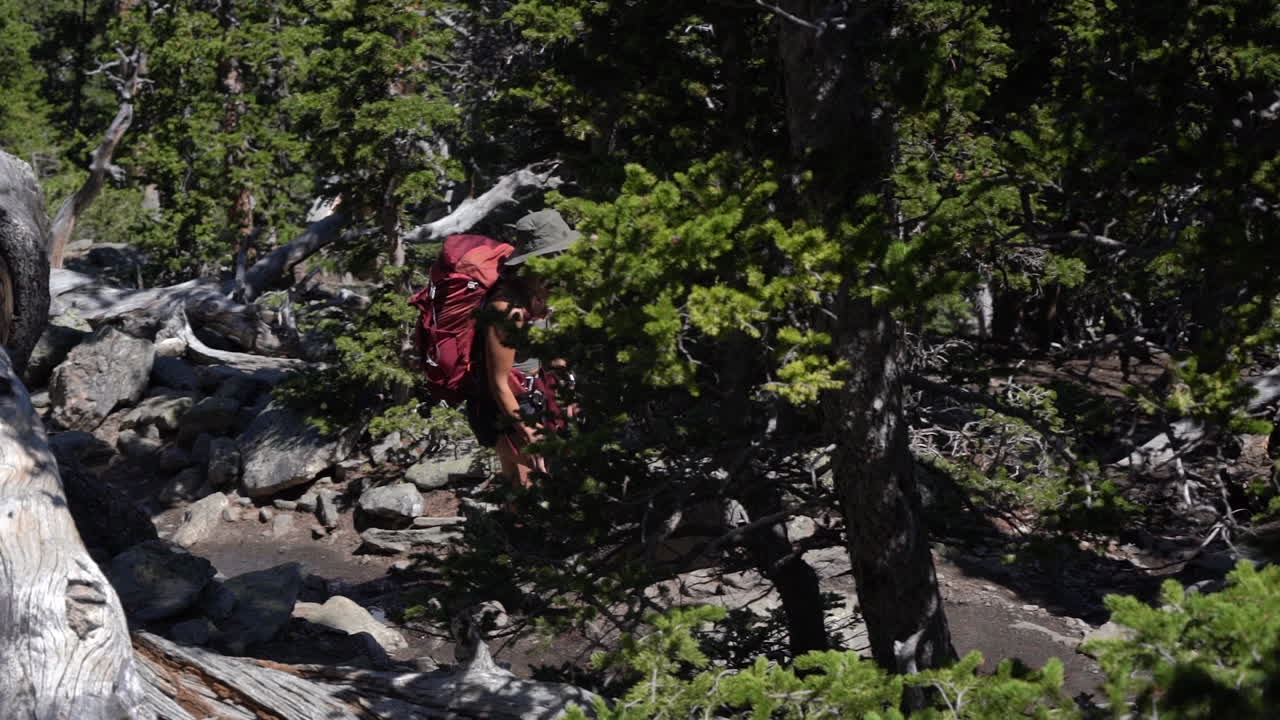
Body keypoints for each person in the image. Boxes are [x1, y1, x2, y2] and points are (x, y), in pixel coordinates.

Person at [465, 209, 581, 489]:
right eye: (558, 253)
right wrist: (527, 432)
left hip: (541, 393)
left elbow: (554, 355)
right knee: (523, 487)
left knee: (556, 481)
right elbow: (500, 383)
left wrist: (568, 396)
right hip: (510, 407)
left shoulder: (547, 293)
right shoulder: (507, 310)